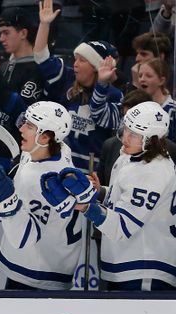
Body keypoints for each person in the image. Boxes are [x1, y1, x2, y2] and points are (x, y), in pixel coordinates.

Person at [62, 102, 176, 290]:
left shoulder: (153, 171)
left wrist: (86, 207)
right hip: (128, 264)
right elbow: (124, 200)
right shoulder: (132, 156)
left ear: (151, 139)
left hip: (144, 268)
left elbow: (122, 227)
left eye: (134, 134)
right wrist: (101, 192)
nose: (125, 137)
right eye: (126, 129)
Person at [0, 100, 82, 290]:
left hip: (36, 273)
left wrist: (7, 201)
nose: (21, 129)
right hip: (54, 263)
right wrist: (18, 167)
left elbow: (24, 238)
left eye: (30, 126)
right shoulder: (57, 149)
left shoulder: (43, 182)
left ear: (44, 137)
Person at [34, 0, 122, 171]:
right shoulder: (67, 78)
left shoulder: (115, 95)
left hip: (90, 173)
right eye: (75, 59)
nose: (75, 64)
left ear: (97, 67)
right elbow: (41, 58)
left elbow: (100, 116)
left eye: (82, 60)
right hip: (58, 165)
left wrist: (102, 84)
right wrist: (44, 25)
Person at [136, 59, 176, 141]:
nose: (142, 79)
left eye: (148, 76)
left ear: (161, 81)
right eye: (140, 76)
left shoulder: (173, 110)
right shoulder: (136, 107)